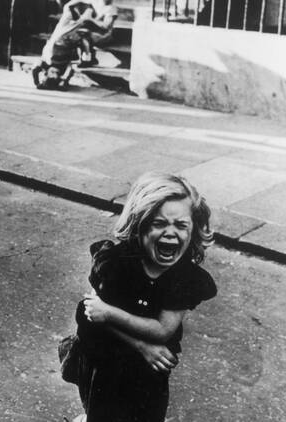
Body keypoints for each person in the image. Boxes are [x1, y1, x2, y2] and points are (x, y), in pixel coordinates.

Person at [71, 172, 217, 422]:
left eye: (181, 225)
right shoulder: (116, 262)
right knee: (102, 412)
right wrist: (140, 345)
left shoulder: (184, 278)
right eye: (159, 223)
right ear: (139, 226)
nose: (170, 233)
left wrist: (109, 314)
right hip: (105, 361)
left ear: (193, 232)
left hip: (148, 372)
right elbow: (92, 311)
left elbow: (162, 331)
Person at [32, 0, 96, 90]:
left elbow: (35, 69)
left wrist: (37, 82)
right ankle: (88, 10)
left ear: (46, 73)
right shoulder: (63, 69)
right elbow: (69, 70)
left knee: (68, 12)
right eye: (56, 75)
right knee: (81, 21)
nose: (55, 72)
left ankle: (80, 10)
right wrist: (63, 82)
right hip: (67, 42)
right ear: (59, 76)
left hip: (56, 40)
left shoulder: (45, 64)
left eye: (52, 73)